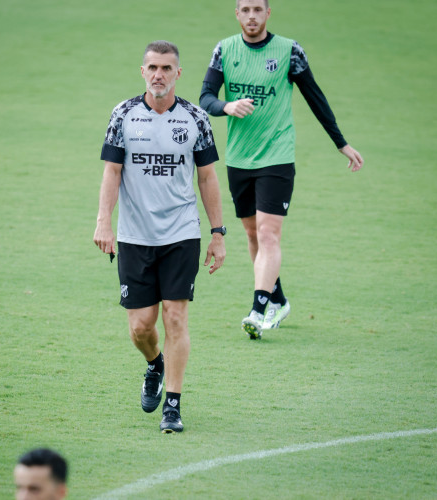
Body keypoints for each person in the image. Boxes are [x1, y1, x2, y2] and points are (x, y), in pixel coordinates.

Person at [200, 0, 364, 340]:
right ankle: (279, 300)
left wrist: (341, 143)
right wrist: (226, 106)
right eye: (245, 10)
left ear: (268, 13)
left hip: (277, 156)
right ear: (237, 13)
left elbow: (314, 97)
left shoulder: (290, 51)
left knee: (269, 233)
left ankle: (259, 310)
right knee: (252, 235)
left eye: (258, 9)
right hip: (239, 159)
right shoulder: (224, 50)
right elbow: (205, 98)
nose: (251, 16)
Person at [94, 40, 226, 433]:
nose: (159, 75)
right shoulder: (123, 114)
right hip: (135, 235)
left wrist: (218, 233)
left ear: (178, 74)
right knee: (141, 327)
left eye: (167, 68)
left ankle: (173, 404)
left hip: (181, 233)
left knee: (175, 316)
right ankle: (155, 364)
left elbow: (207, 177)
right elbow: (112, 173)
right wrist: (103, 221)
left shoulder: (196, 118)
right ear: (142, 72)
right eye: (152, 67)